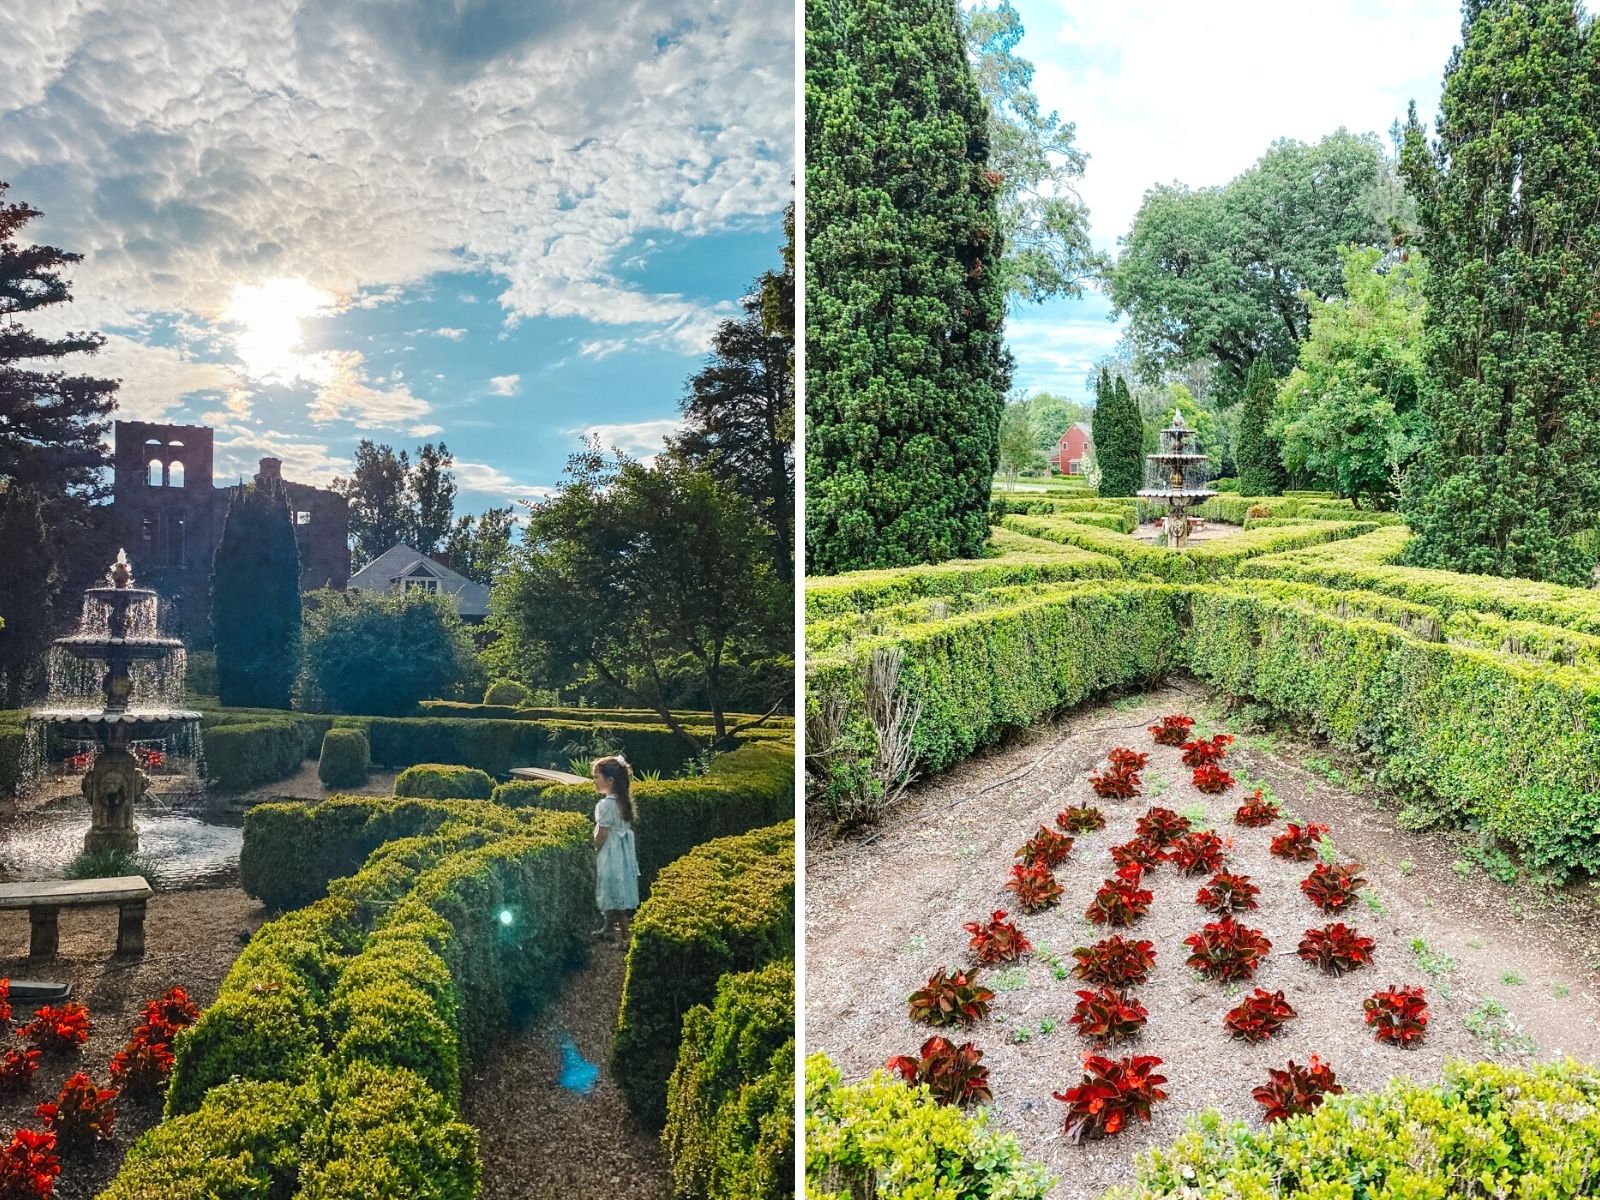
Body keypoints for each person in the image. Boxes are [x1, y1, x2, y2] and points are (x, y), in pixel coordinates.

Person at [591, 755, 640, 942]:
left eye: (597, 777)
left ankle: (627, 937)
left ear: (610, 781)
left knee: (613, 892)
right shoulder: (623, 801)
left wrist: (594, 846)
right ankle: (608, 928)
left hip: (611, 853)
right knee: (614, 888)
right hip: (623, 852)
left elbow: (602, 833)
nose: (594, 781)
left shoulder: (605, 805)